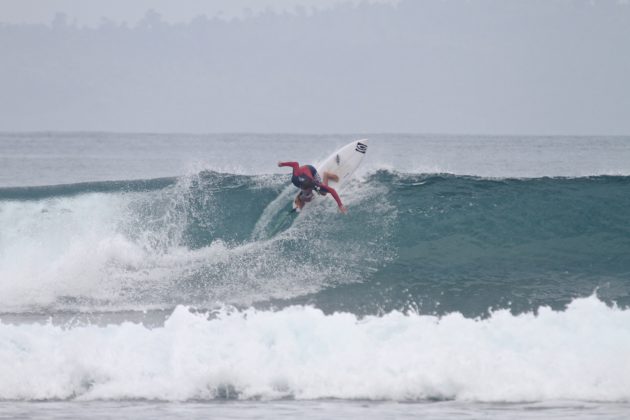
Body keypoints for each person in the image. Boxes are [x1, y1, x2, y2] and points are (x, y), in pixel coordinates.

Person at [277, 161, 347, 213]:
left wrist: (340, 205)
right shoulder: (295, 179)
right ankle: (302, 200)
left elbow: (332, 190)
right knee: (306, 197)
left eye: (308, 190)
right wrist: (282, 164)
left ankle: (327, 175)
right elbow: (295, 164)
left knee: (323, 193)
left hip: (311, 170)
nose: (308, 190)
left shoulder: (314, 184)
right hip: (303, 173)